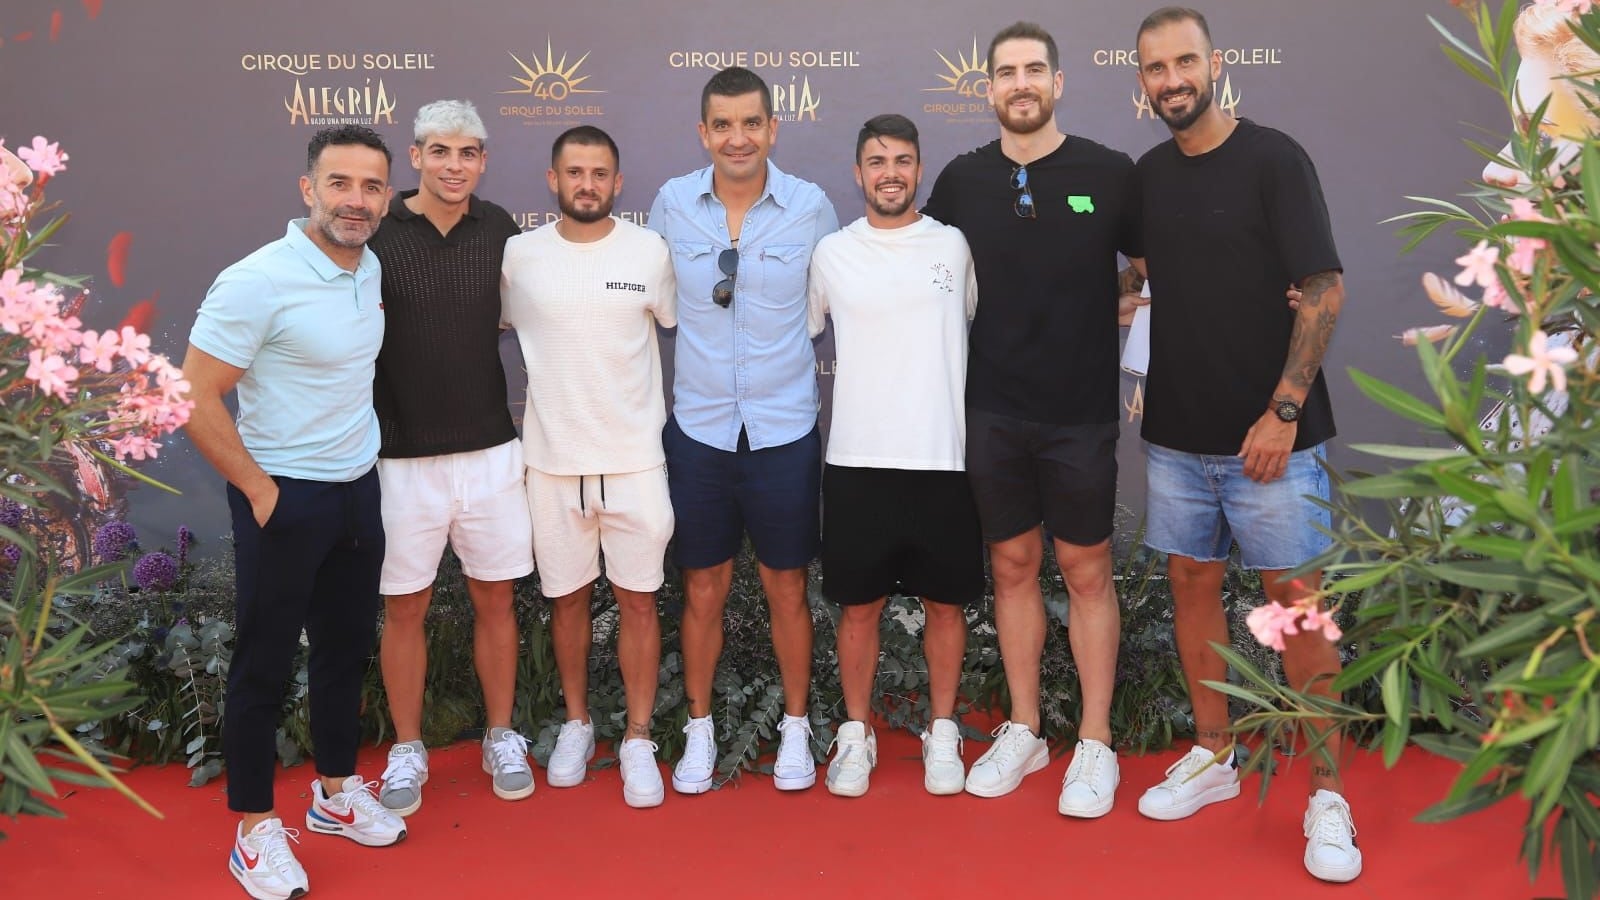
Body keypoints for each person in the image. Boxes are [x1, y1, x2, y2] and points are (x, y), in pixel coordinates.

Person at [1130, 7, 1360, 884]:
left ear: (1214, 65)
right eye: (1156, 68)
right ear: (1142, 80)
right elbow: (1133, 267)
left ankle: (1328, 795)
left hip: (1273, 440)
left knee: (1296, 605)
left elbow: (1325, 287)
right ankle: (1215, 756)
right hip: (1177, 438)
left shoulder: (1274, 158)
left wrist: (1285, 410)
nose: (1172, 79)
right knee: (1192, 585)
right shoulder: (1149, 176)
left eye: (1185, 61)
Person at [921, 22, 1142, 816]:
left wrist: (1122, 301)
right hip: (991, 411)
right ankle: (1025, 726)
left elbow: (1151, 263)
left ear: (1058, 83)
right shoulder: (959, 181)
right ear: (988, 89)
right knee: (1011, 567)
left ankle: (1094, 739)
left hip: (1080, 415)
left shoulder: (1109, 173)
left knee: (1086, 572)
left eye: (1034, 70)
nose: (1021, 83)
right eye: (1006, 72)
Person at [183, 125, 405, 900]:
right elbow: (194, 394)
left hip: (356, 489)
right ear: (308, 189)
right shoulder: (257, 279)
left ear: (386, 197)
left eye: (371, 186)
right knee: (264, 666)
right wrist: (262, 490)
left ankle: (336, 794)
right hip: (282, 496)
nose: (356, 199)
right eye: (340, 183)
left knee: (345, 650)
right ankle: (252, 832)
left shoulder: (369, 265)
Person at [648, 66, 839, 794]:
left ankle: (794, 728)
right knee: (703, 588)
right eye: (722, 125)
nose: (737, 137)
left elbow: (835, 298)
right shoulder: (671, 205)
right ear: (703, 133)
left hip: (785, 431)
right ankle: (699, 732)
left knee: (787, 587)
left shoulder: (811, 207)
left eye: (751, 123)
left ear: (772, 128)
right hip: (698, 432)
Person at [366, 100, 535, 816]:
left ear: (484, 161)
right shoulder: (376, 230)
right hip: (402, 458)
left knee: (496, 599)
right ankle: (408, 746)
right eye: (441, 151)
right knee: (404, 607)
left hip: (493, 451)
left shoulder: (498, 228)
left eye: (468, 152)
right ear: (416, 156)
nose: (454, 165)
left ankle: (502, 734)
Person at [501, 125, 677, 808]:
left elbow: (671, 322)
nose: (587, 184)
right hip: (550, 464)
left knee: (639, 601)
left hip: (636, 462)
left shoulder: (650, 251)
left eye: (599, 173)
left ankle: (636, 737)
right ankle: (576, 722)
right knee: (566, 599)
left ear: (617, 182)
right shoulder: (518, 257)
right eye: (574, 172)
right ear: (553, 180)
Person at [806, 113, 981, 798]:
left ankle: (942, 731)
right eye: (877, 160)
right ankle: (856, 732)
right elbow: (806, 326)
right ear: (858, 173)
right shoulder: (831, 253)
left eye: (903, 160)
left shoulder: (955, 246)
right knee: (859, 609)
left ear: (919, 168)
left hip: (943, 458)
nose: (890, 173)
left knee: (946, 607)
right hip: (856, 460)